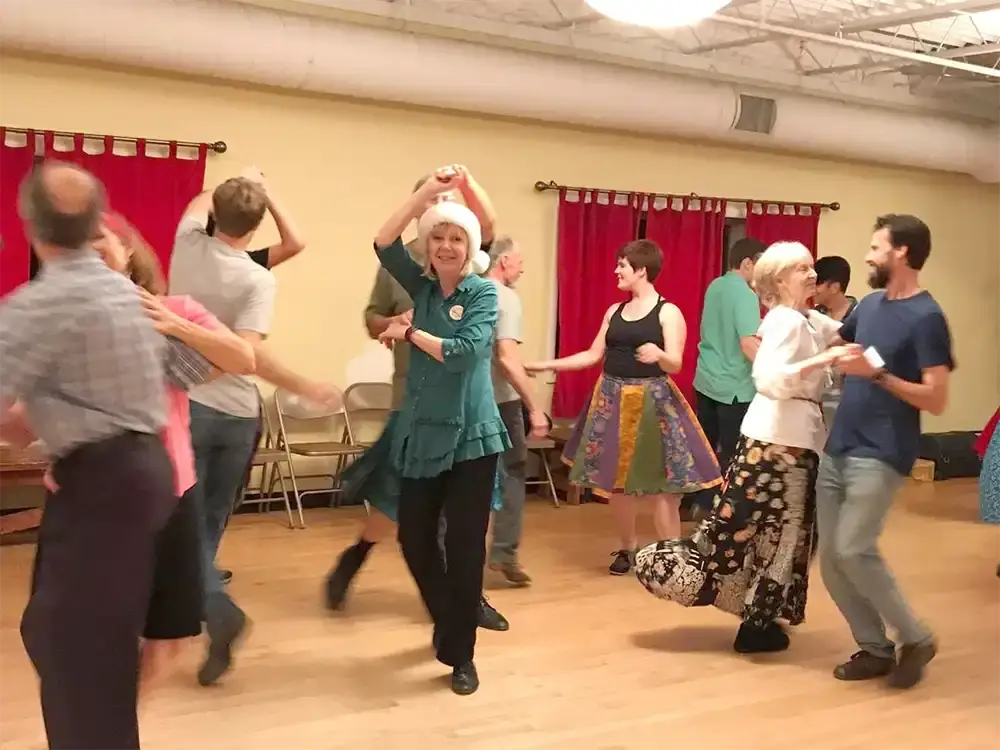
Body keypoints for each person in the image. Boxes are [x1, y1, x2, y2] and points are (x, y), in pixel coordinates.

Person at [0, 162, 206, 750]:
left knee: (79, 653)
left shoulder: (37, 306)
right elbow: (185, 372)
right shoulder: (132, 295)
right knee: (64, 637)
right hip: (139, 474)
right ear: (97, 226)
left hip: (104, 480)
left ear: (31, 228)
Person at [169, 167, 337, 686]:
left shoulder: (186, 246)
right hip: (239, 415)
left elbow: (201, 199)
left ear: (216, 213)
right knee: (211, 521)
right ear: (257, 224)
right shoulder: (258, 278)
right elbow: (248, 354)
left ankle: (209, 607)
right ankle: (207, 603)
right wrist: (267, 191)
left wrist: (238, 178)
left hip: (189, 406)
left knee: (182, 526)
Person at [634, 242, 845, 654]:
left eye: (811, 266)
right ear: (779, 279)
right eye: (801, 268)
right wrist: (820, 363)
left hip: (784, 441)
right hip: (779, 446)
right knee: (778, 537)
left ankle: (758, 617)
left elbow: (848, 337)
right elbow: (767, 377)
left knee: (762, 534)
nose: (811, 273)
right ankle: (755, 625)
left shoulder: (804, 318)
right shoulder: (784, 321)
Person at [325, 167, 509, 630]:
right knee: (396, 501)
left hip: (464, 405)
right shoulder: (404, 266)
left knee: (469, 515)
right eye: (432, 201)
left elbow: (490, 226)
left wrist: (466, 182)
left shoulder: (468, 260)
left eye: (450, 201)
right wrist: (399, 323)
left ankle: (468, 600)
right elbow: (372, 317)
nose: (442, 211)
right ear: (418, 214)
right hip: (413, 399)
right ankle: (358, 555)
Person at [372, 167, 511, 695]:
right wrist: (426, 196)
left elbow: (465, 353)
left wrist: (410, 332)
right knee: (413, 537)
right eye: (438, 237)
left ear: (470, 244)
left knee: (466, 545)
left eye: (456, 237)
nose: (446, 246)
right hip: (423, 434)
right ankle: (452, 616)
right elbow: (383, 242)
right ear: (427, 245)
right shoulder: (421, 285)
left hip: (473, 438)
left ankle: (461, 656)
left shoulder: (481, 293)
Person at [526, 239, 721, 575]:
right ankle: (628, 549)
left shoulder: (668, 312)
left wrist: (659, 355)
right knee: (618, 484)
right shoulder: (614, 312)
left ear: (641, 270)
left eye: (622, 265)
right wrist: (547, 365)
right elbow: (591, 355)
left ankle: (672, 557)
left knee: (664, 485)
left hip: (653, 403)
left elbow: (676, 362)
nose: (616, 271)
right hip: (612, 399)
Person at [819, 214, 953, 690]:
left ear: (901, 253)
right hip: (839, 444)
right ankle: (875, 648)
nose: (868, 255)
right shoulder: (871, 304)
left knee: (854, 547)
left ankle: (916, 637)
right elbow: (843, 341)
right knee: (832, 559)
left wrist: (876, 376)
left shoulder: (927, 317)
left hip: (882, 450)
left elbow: (936, 398)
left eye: (876, 247)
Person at [483, 236, 549, 586]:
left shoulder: (471, 291)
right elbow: (507, 359)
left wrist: (525, 367)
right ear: (504, 261)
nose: (522, 267)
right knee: (511, 475)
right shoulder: (506, 298)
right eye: (520, 260)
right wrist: (535, 407)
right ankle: (504, 553)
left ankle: (451, 556)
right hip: (502, 404)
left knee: (468, 480)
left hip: (470, 401)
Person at [692, 237, 765, 472]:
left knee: (705, 450)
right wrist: (776, 371)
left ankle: (698, 503)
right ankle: (720, 505)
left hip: (706, 380)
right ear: (747, 263)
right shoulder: (745, 294)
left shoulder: (715, 285)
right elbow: (748, 344)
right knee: (734, 455)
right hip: (734, 388)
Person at [812, 255, 859, 426]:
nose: (813, 289)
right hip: (818, 396)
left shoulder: (859, 315)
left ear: (834, 287)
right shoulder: (814, 315)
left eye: (818, 284)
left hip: (848, 396)